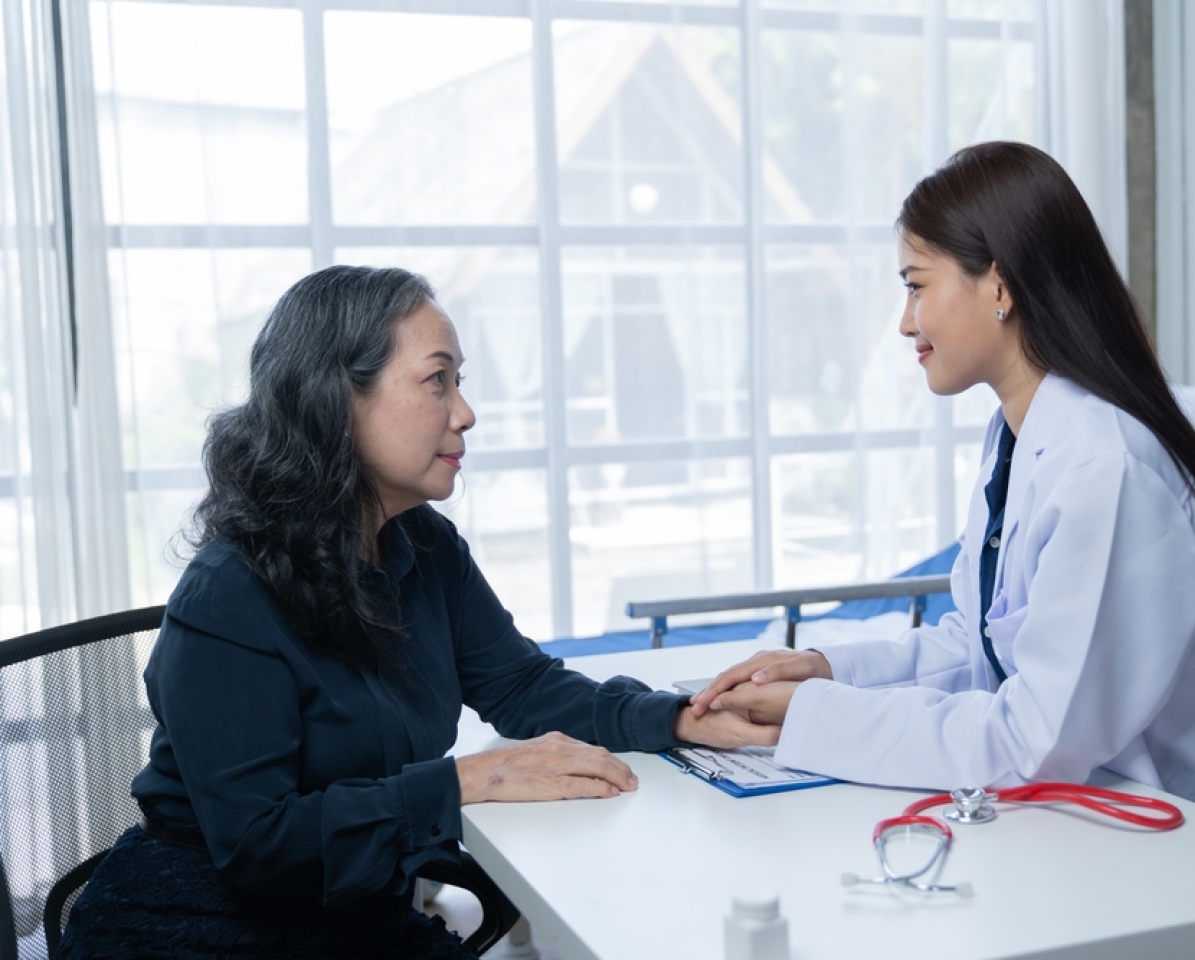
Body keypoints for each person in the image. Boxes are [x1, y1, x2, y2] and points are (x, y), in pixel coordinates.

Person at [60, 266, 775, 959]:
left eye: (460, 382)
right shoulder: (227, 594)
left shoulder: (424, 546)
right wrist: (465, 781)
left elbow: (521, 686)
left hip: (352, 911)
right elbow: (258, 845)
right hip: (202, 922)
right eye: (437, 380)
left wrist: (676, 718)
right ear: (335, 401)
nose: (464, 412)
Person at [689, 141, 1195, 825]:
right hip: (1083, 818)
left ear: (999, 286)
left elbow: (1031, 745)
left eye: (916, 285)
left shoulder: (1107, 470)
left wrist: (813, 720)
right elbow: (978, 649)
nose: (906, 322)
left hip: (1192, 849)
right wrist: (827, 672)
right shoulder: (1022, 437)